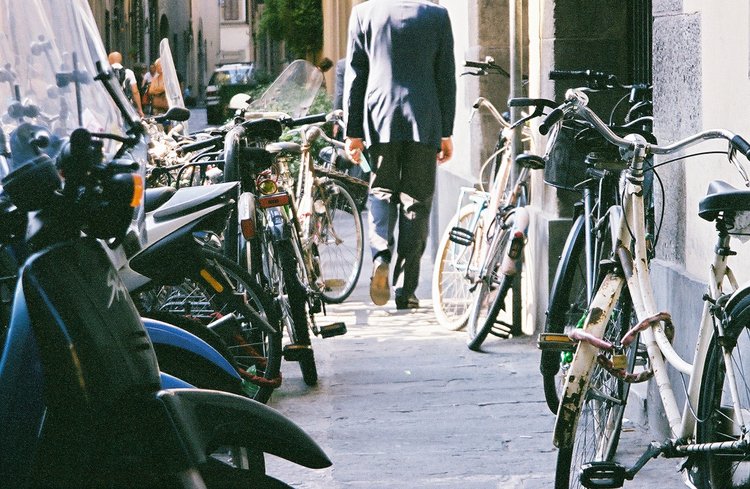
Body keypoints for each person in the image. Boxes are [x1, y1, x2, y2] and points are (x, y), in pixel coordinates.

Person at [343, 0, 456, 310]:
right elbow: (445, 76)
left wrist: (353, 132)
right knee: (416, 203)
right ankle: (406, 290)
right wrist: (446, 131)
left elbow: (356, 75)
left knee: (380, 191)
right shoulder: (437, 15)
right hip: (424, 117)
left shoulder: (364, 13)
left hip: (379, 117)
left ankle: (381, 254)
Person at [108, 51, 144, 117]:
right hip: (126, 107)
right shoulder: (129, 72)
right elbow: (135, 92)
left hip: (109, 107)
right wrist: (140, 109)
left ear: (109, 60)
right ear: (120, 60)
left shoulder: (106, 72)